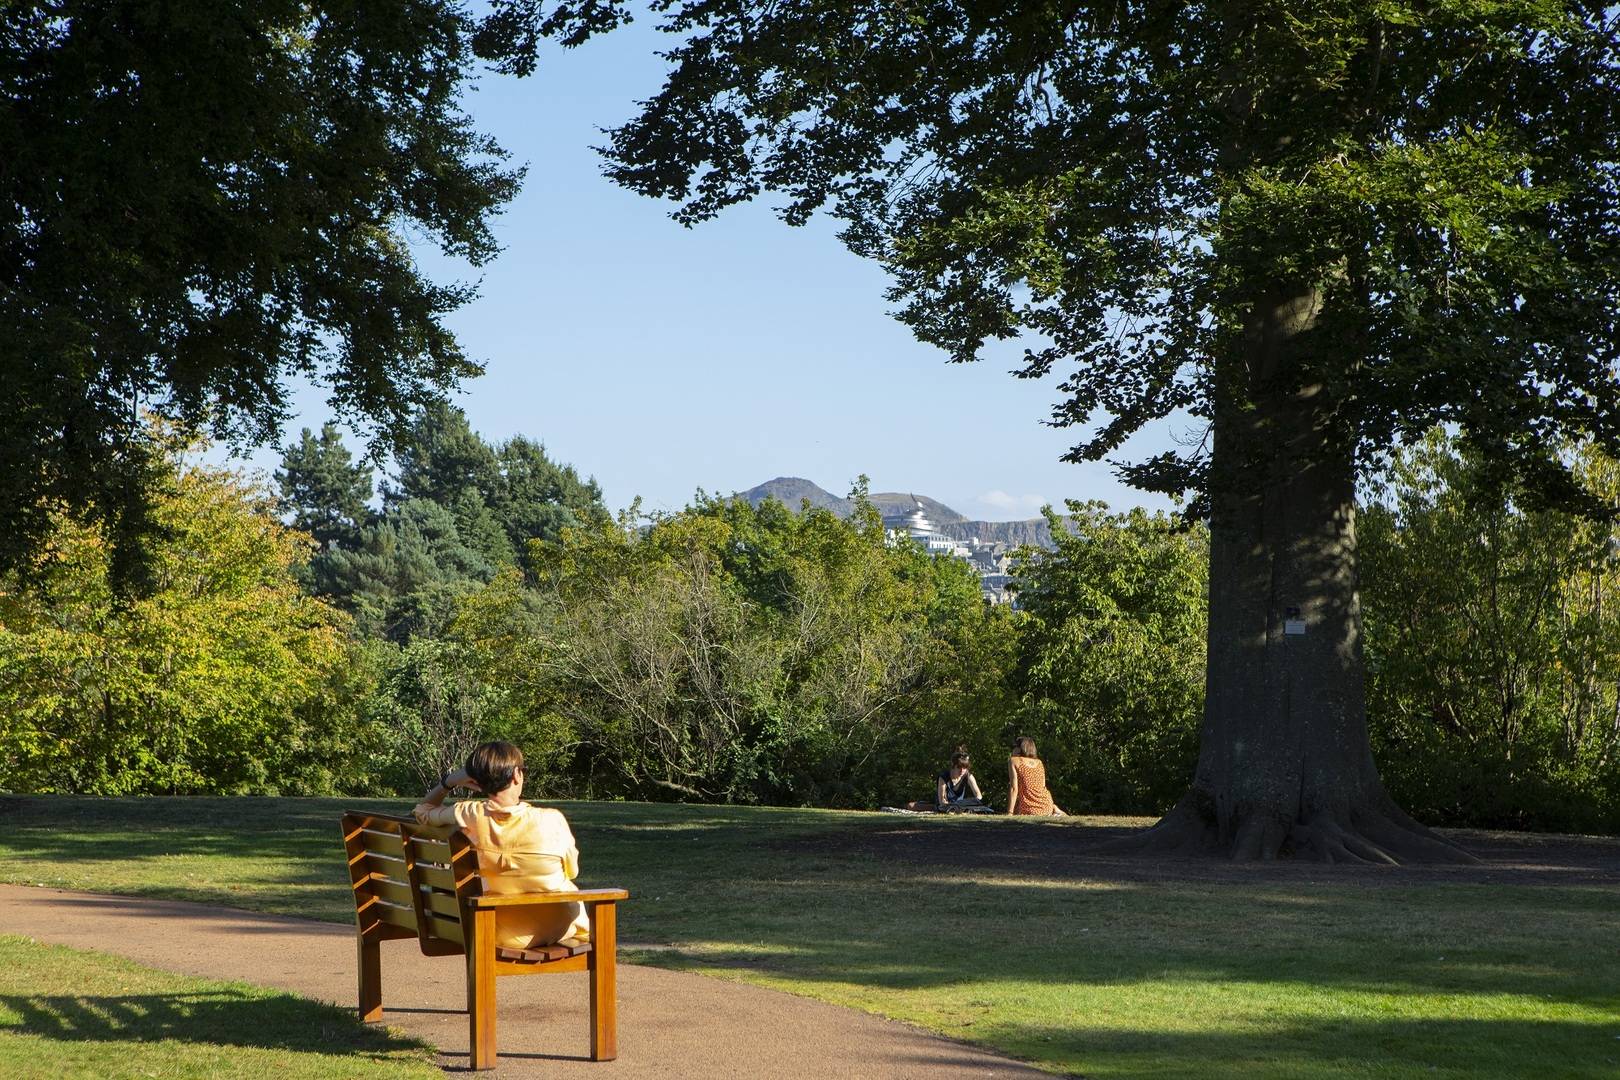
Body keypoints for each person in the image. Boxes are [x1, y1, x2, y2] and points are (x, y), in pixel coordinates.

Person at [414, 741, 589, 948]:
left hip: (498, 929)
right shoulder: (551, 819)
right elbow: (572, 871)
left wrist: (450, 781)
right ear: (517, 774)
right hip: (558, 922)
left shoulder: (468, 814)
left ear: (478, 780)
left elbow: (422, 811)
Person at [1007, 736, 1066, 817]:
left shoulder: (1014, 761)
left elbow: (1014, 789)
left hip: (1030, 808)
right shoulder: (1039, 762)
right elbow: (1041, 787)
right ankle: (1054, 810)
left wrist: (1010, 812)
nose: (1013, 749)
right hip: (1047, 804)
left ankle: (1055, 810)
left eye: (1015, 747)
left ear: (1020, 748)